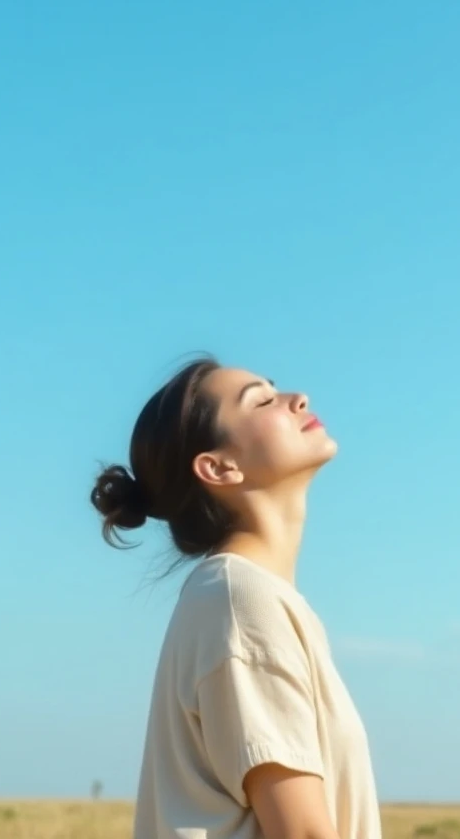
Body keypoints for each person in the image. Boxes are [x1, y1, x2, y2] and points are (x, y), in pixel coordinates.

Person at [91, 357, 381, 839]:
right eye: (263, 401)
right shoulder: (241, 601)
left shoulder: (244, 597)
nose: (298, 398)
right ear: (218, 467)